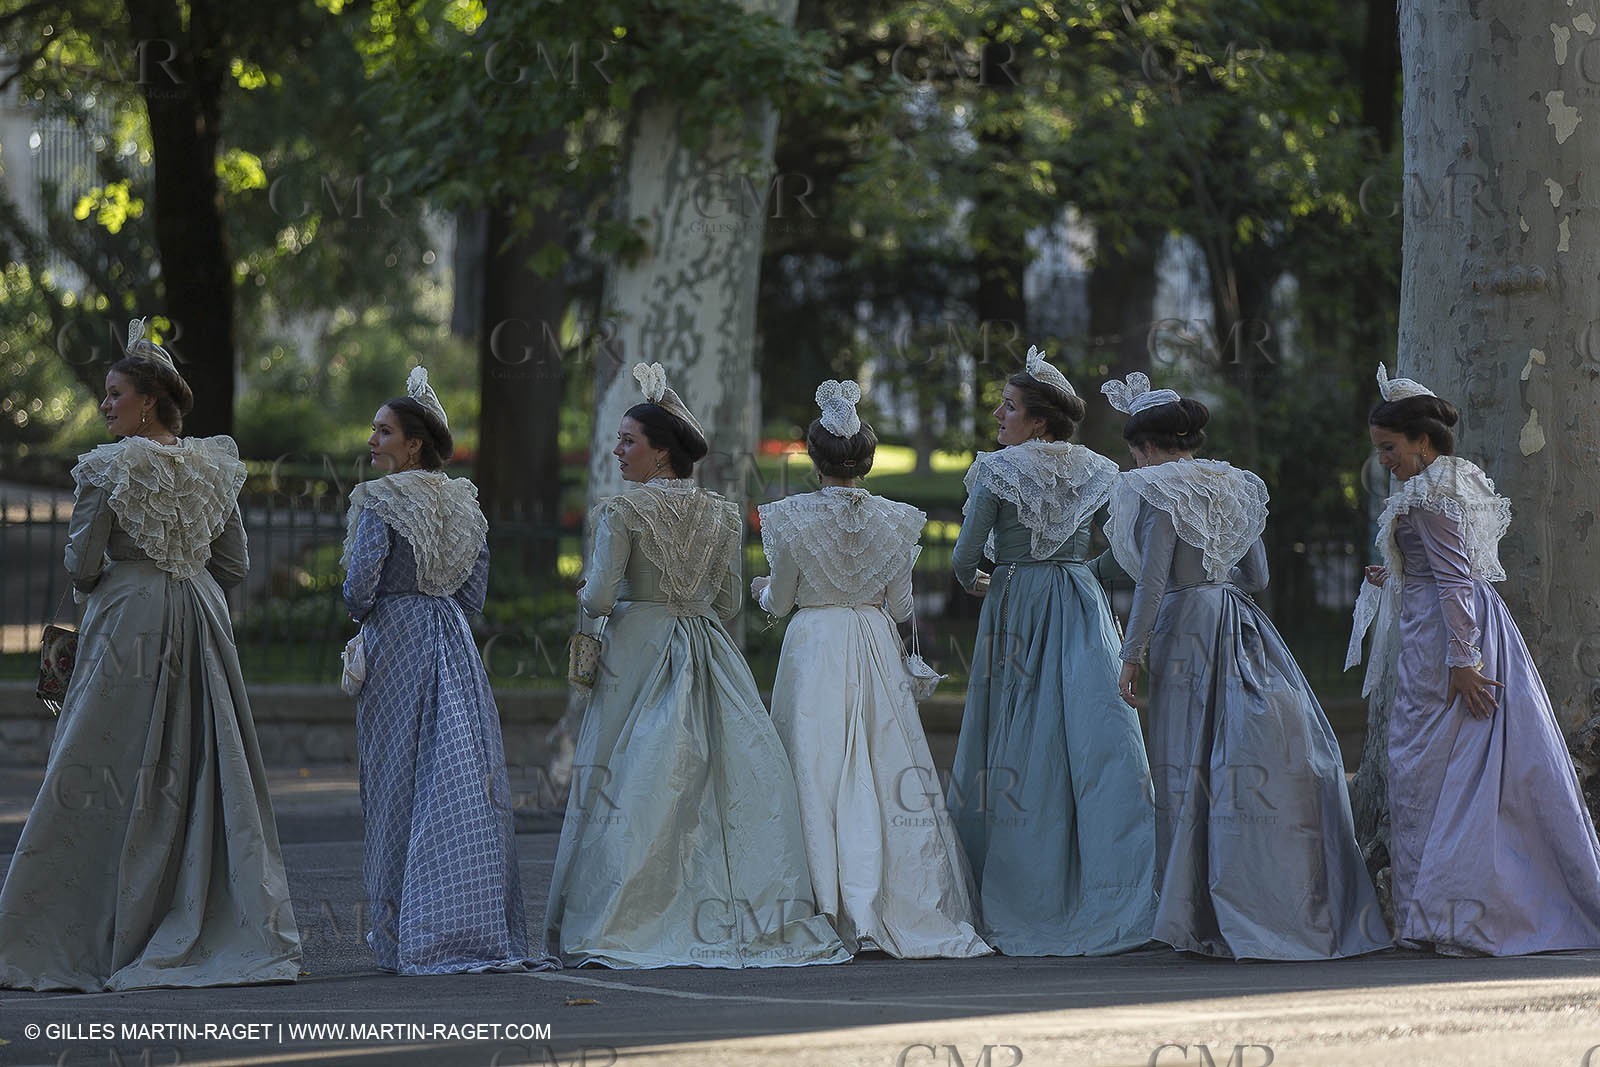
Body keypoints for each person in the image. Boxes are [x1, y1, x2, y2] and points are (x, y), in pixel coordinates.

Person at [0, 319, 300, 991]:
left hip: (127, 619)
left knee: (99, 764)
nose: (105, 405)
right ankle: (197, 914)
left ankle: (72, 930)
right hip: (199, 618)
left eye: (114, 393)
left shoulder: (108, 467)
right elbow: (235, 562)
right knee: (199, 767)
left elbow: (80, 563)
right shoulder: (214, 466)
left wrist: (118, 571)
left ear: (148, 401)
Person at [544, 362, 849, 969]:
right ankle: (735, 910)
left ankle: (628, 913)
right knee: (721, 777)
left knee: (631, 775)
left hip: (638, 649)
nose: (617, 449)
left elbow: (601, 599)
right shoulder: (723, 512)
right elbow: (731, 601)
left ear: (661, 454)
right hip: (706, 645)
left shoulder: (621, 512)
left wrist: (587, 590)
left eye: (629, 440)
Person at [1102, 371, 1389, 960]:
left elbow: (1152, 583)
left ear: (1146, 447)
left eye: (1133, 451)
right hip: (1235, 617)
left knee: (1183, 757)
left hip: (1184, 626)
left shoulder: (1157, 489)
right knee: (1230, 750)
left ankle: (1187, 908)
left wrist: (1132, 655)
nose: (1132, 462)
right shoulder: (1235, 485)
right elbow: (1258, 576)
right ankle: (1240, 894)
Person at [1348, 363, 1600, 955]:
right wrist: (1397, 575)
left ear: (1423, 442)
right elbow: (1450, 568)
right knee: (1452, 770)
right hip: (1458, 623)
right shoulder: (1454, 480)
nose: (1383, 460)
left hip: (1447, 638)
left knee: (1437, 772)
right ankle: (1447, 910)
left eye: (1389, 448)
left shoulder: (1432, 495)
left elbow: (1457, 580)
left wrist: (1464, 663)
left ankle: (1447, 915)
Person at [753, 381, 989, 959]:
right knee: (883, 762)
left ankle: (821, 897)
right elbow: (902, 607)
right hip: (874, 642)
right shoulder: (896, 520)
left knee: (816, 763)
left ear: (813, 456)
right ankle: (891, 896)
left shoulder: (789, 518)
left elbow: (780, 603)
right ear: (867, 458)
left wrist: (762, 589)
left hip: (816, 647)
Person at [945, 347, 1156, 956]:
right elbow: (1123, 554)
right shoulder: (1101, 471)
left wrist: (982, 582)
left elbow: (964, 558)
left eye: (1008, 407)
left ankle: (1012, 880)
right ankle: (1110, 879)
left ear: (1038, 421)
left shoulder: (996, 471)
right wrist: (1078, 571)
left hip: (1016, 602)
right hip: (1080, 602)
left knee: (1011, 731)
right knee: (1087, 730)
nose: (998, 414)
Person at [342, 366, 542, 974]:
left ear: (414, 444)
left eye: (383, 432)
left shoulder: (379, 500)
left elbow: (357, 589)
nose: (373, 441)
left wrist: (378, 609)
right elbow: (474, 593)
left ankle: (400, 929)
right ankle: (464, 918)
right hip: (450, 639)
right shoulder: (463, 503)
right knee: (456, 775)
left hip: (398, 641)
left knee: (395, 779)